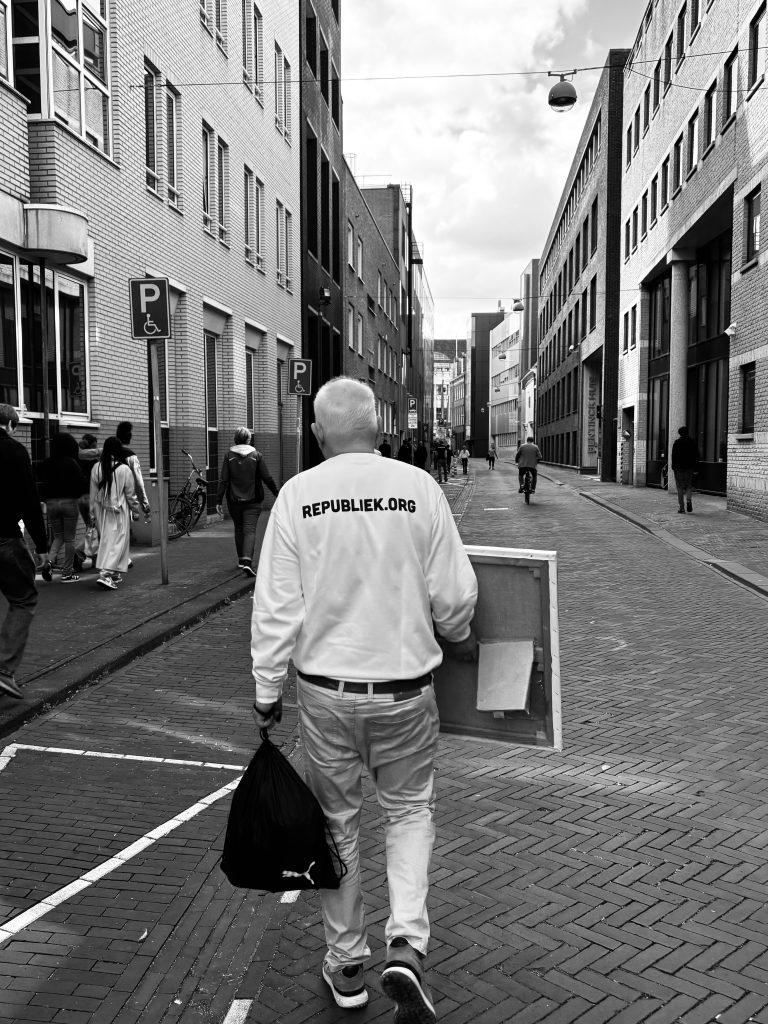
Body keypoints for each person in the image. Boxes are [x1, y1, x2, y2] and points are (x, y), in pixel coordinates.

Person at [250, 377, 478, 1022]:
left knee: (337, 822)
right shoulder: (419, 489)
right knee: (409, 811)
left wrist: (268, 691)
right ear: (377, 428)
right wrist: (457, 636)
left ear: (320, 434)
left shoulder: (298, 496)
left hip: (326, 696)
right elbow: (455, 598)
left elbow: (276, 609)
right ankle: (406, 941)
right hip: (406, 692)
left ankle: (346, 965)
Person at [0, 404, 49, 699]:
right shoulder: (15, 452)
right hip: (4, 538)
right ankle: (4, 671)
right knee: (24, 598)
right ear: (8, 425)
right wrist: (42, 546)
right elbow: (30, 502)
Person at [215, 428, 279, 577]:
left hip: (234, 501)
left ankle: (241, 560)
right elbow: (267, 477)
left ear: (235, 440)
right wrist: (277, 492)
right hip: (253, 501)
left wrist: (218, 500)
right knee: (249, 529)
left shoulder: (228, 456)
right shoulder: (257, 456)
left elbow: (223, 479)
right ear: (249, 440)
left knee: (239, 528)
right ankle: (248, 562)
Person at [89, 437, 141, 590]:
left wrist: (91, 514)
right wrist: (135, 511)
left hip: (100, 511)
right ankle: (105, 574)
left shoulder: (96, 467)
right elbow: (130, 494)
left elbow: (92, 494)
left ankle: (115, 573)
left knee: (107, 541)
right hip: (119, 510)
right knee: (119, 542)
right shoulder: (124, 469)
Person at [37, 432, 87, 583]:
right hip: (69, 503)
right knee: (70, 539)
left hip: (51, 503)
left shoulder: (46, 463)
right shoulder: (72, 463)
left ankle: (49, 563)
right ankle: (67, 573)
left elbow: (41, 484)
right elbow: (81, 484)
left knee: (58, 536)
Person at [74, 433, 101, 571]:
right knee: (96, 529)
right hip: (92, 499)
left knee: (91, 529)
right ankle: (78, 553)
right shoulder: (95, 463)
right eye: (95, 443)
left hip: (80, 499)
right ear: (92, 445)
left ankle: (95, 562)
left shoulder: (77, 459)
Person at [115, 421, 151, 518]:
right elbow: (138, 483)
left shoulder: (106, 454)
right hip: (123, 501)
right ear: (129, 436)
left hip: (105, 501)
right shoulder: (131, 457)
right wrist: (145, 504)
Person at [671, 425, 700, 513]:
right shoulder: (693, 442)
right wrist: (695, 467)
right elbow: (696, 455)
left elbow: (674, 456)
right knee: (688, 486)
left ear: (679, 433)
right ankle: (689, 500)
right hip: (689, 468)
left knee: (680, 487)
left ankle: (682, 508)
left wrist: (673, 466)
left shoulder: (677, 442)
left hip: (679, 468)